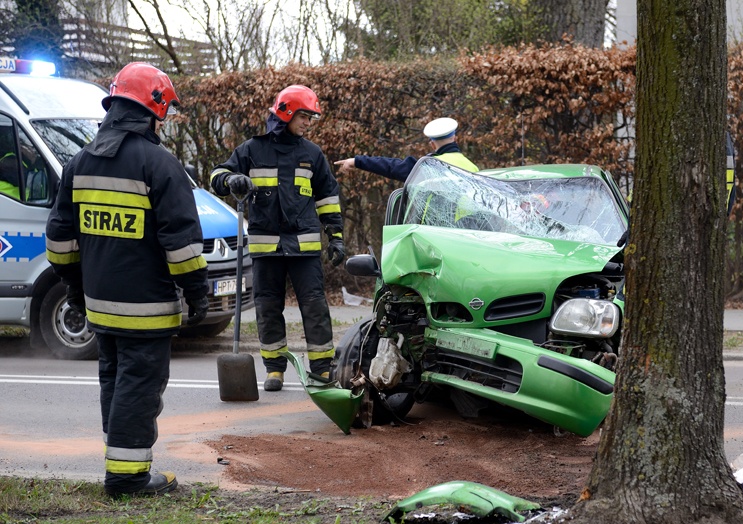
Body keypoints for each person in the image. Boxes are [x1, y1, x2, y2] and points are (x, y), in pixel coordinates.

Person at [45, 62, 209, 497]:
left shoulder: (78, 163)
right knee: (138, 385)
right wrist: (198, 293)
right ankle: (128, 477)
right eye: (164, 111)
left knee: (115, 382)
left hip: (100, 306)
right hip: (148, 308)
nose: (165, 120)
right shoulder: (160, 165)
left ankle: (119, 462)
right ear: (152, 109)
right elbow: (183, 246)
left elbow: (60, 242)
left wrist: (76, 290)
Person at [209, 85, 344, 392]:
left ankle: (322, 369)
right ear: (285, 113)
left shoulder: (312, 154)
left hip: (304, 248)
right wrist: (232, 179)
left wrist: (336, 237)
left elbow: (328, 199)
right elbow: (216, 175)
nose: (308, 123)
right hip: (265, 248)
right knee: (268, 308)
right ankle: (274, 369)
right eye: (304, 116)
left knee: (314, 307)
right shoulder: (252, 150)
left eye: (311, 117)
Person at [334, 117, 478, 182]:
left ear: (432, 145)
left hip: (438, 235)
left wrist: (357, 161)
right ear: (456, 139)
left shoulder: (430, 166)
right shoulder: (473, 168)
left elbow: (391, 167)